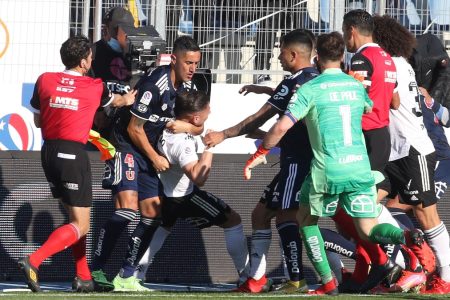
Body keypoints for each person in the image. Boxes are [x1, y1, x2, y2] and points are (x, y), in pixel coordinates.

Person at [245, 31, 422, 295]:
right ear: (342, 57)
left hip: (327, 170)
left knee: (305, 220)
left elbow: (281, 127)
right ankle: (405, 237)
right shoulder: (355, 85)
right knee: (368, 228)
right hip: (360, 168)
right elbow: (367, 107)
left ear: (317, 58)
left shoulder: (310, 89)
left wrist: (259, 154)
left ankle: (328, 283)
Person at [203, 29, 318, 293]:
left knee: (287, 216)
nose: (277, 56)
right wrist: (267, 89)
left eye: (281, 51)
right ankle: (258, 279)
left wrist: (223, 134)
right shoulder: (316, 78)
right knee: (262, 213)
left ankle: (297, 279)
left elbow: (258, 118)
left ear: (292, 54)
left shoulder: (295, 83)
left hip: (298, 162)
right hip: (307, 159)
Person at [17, 35, 135, 293]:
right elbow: (113, 103)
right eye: (90, 57)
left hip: (48, 152)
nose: (92, 60)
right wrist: (126, 100)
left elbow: (38, 122)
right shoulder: (94, 85)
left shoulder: (45, 79)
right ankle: (33, 260)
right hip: (73, 154)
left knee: (74, 218)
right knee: (81, 224)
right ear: (83, 61)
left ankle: (82, 276)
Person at [90, 35, 202, 292]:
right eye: (188, 62)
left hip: (149, 150)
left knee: (153, 215)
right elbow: (134, 128)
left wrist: (189, 127)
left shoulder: (190, 89)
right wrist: (154, 157)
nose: (192, 68)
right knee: (127, 209)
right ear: (174, 59)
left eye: (196, 63)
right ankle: (94, 269)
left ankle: (126, 276)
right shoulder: (154, 85)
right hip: (126, 146)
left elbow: (200, 123)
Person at [372, 15, 450, 294]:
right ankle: (412, 253)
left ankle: (444, 277)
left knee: (426, 214)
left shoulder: (389, 65)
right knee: (365, 205)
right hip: (393, 151)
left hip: (413, 148)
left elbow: (389, 101)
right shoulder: (401, 64)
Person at [151, 90, 250, 285]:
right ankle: (247, 276)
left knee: (164, 227)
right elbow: (198, 177)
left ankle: (136, 272)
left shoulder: (170, 123)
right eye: (207, 109)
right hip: (183, 197)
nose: (210, 111)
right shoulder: (183, 142)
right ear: (195, 117)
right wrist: (210, 148)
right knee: (233, 220)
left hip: (165, 191)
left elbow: (196, 127)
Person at [90, 6, 135, 141]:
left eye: (126, 30)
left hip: (127, 124)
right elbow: (86, 85)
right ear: (106, 28)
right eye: (115, 29)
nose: (120, 34)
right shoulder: (92, 52)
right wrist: (97, 111)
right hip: (99, 124)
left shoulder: (137, 55)